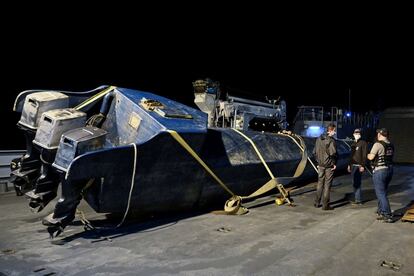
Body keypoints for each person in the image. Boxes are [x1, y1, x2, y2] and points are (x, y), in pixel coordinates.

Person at [367, 128, 394, 223]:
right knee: (383, 192)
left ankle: (387, 214)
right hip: (389, 169)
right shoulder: (390, 144)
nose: (377, 134)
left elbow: (371, 157)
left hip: (380, 171)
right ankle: (382, 211)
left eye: (378, 133)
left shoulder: (377, 144)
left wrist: (368, 155)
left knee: (381, 193)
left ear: (380, 134)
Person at [313, 123, 337, 210]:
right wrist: (334, 163)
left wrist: (318, 162)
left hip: (320, 165)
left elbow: (314, 152)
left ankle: (316, 203)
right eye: (334, 130)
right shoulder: (331, 140)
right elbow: (332, 153)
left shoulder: (318, 139)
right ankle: (325, 205)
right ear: (330, 130)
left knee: (320, 183)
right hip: (328, 166)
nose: (335, 132)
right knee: (327, 185)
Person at [347, 128, 368, 205]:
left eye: (358, 133)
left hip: (358, 166)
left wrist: (362, 165)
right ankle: (356, 198)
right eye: (355, 133)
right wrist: (349, 165)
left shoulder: (363, 143)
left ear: (360, 134)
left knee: (357, 183)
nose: (357, 134)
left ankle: (358, 200)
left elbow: (364, 155)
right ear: (353, 134)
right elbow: (351, 156)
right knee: (354, 183)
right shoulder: (353, 144)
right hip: (353, 165)